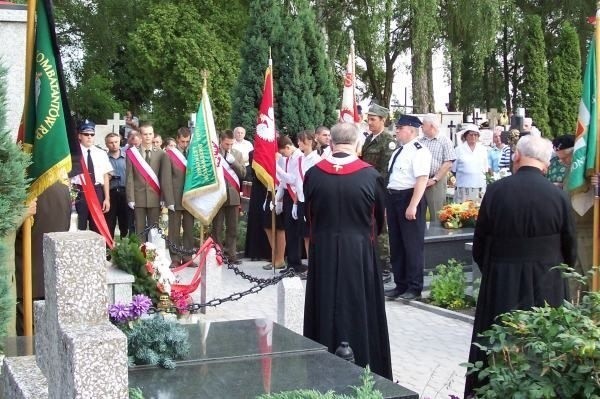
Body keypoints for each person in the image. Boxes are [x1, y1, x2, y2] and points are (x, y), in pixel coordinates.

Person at [464, 135, 575, 398]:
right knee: (546, 343)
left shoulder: (496, 191)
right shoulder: (557, 196)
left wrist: (494, 269)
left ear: (516, 156)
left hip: (503, 279)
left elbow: (480, 241)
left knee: (497, 342)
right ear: (546, 164)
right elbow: (569, 246)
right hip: (548, 281)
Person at [303, 122, 392, 379]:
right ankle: (367, 365)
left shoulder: (314, 174)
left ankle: (320, 368)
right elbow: (378, 220)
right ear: (357, 143)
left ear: (330, 143)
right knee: (360, 306)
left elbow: (310, 215)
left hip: (324, 251)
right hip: (360, 252)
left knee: (325, 304)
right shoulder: (371, 175)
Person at [384, 115, 432, 301]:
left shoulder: (419, 151)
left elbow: (421, 179)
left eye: (400, 127)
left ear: (411, 130)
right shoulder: (400, 150)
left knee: (411, 245)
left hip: (409, 197)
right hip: (394, 197)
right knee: (397, 244)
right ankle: (400, 283)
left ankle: (414, 286)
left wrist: (413, 205)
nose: (396, 131)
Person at [553, 134, 593, 299]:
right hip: (573, 227)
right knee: (574, 277)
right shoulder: (572, 168)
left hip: (587, 229)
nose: (563, 162)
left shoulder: (587, 166)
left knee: (590, 275)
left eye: (565, 158)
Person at [360, 104, 396, 281]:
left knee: (381, 228)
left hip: (378, 190)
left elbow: (386, 171)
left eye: (373, 119)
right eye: (369, 119)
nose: (370, 122)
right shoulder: (369, 139)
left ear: (383, 120)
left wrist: (374, 187)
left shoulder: (387, 141)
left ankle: (384, 267)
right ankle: (372, 262)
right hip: (366, 188)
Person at [125, 123, 171, 238]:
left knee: (154, 230)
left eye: (150, 134)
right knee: (139, 229)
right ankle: (140, 254)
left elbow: (163, 177)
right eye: (145, 134)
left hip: (155, 196)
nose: (148, 136)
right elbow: (129, 177)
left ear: (153, 134)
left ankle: (153, 254)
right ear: (140, 135)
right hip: (138, 196)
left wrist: (163, 197)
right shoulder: (132, 153)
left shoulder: (161, 154)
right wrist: (130, 198)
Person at [211, 130, 246, 264]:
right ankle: (217, 253)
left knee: (232, 227)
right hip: (218, 194)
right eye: (227, 144)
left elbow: (243, 173)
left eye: (231, 144)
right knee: (217, 227)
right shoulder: (214, 154)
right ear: (221, 141)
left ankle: (231, 254)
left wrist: (233, 162)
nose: (229, 147)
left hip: (233, 195)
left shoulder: (237, 154)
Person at [71, 120, 112, 232]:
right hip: (79, 191)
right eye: (86, 134)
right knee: (80, 225)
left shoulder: (101, 153)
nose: (89, 137)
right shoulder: (73, 154)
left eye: (92, 134)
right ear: (80, 135)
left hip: (97, 190)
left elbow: (105, 176)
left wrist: (107, 198)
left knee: (97, 225)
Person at [273, 135, 306, 274]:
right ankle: (291, 263)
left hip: (296, 196)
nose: (282, 155)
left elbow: (293, 179)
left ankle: (295, 264)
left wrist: (278, 169)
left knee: (294, 232)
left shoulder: (299, 157)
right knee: (289, 231)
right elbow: (283, 181)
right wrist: (278, 199)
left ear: (287, 147)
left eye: (282, 152)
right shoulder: (289, 158)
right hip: (287, 196)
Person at [164, 127, 194, 267]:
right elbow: (166, 179)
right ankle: (175, 258)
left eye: (187, 141)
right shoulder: (169, 155)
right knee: (174, 229)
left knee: (189, 228)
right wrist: (168, 199)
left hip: (189, 198)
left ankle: (188, 256)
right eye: (182, 141)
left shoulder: (192, 154)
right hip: (175, 198)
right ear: (177, 139)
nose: (185, 144)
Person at [419, 114, 456, 222]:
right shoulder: (420, 142)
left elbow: (448, 162)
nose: (421, 127)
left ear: (431, 126)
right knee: (418, 211)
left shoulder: (444, 141)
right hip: (421, 180)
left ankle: (437, 237)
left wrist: (434, 179)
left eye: (423, 124)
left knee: (437, 213)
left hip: (437, 182)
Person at [452, 124, 489, 203]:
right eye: (471, 134)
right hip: (463, 186)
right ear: (465, 136)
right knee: (463, 212)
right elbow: (453, 169)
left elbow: (486, 169)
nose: (473, 137)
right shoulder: (458, 150)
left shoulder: (483, 149)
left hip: (479, 186)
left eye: (476, 135)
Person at [105, 132, 129, 238]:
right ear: (106, 144)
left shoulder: (127, 157)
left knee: (125, 222)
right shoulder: (104, 158)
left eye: (116, 142)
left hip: (125, 192)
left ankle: (125, 246)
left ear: (120, 142)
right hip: (111, 193)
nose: (114, 144)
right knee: (110, 222)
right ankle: (109, 248)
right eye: (111, 143)